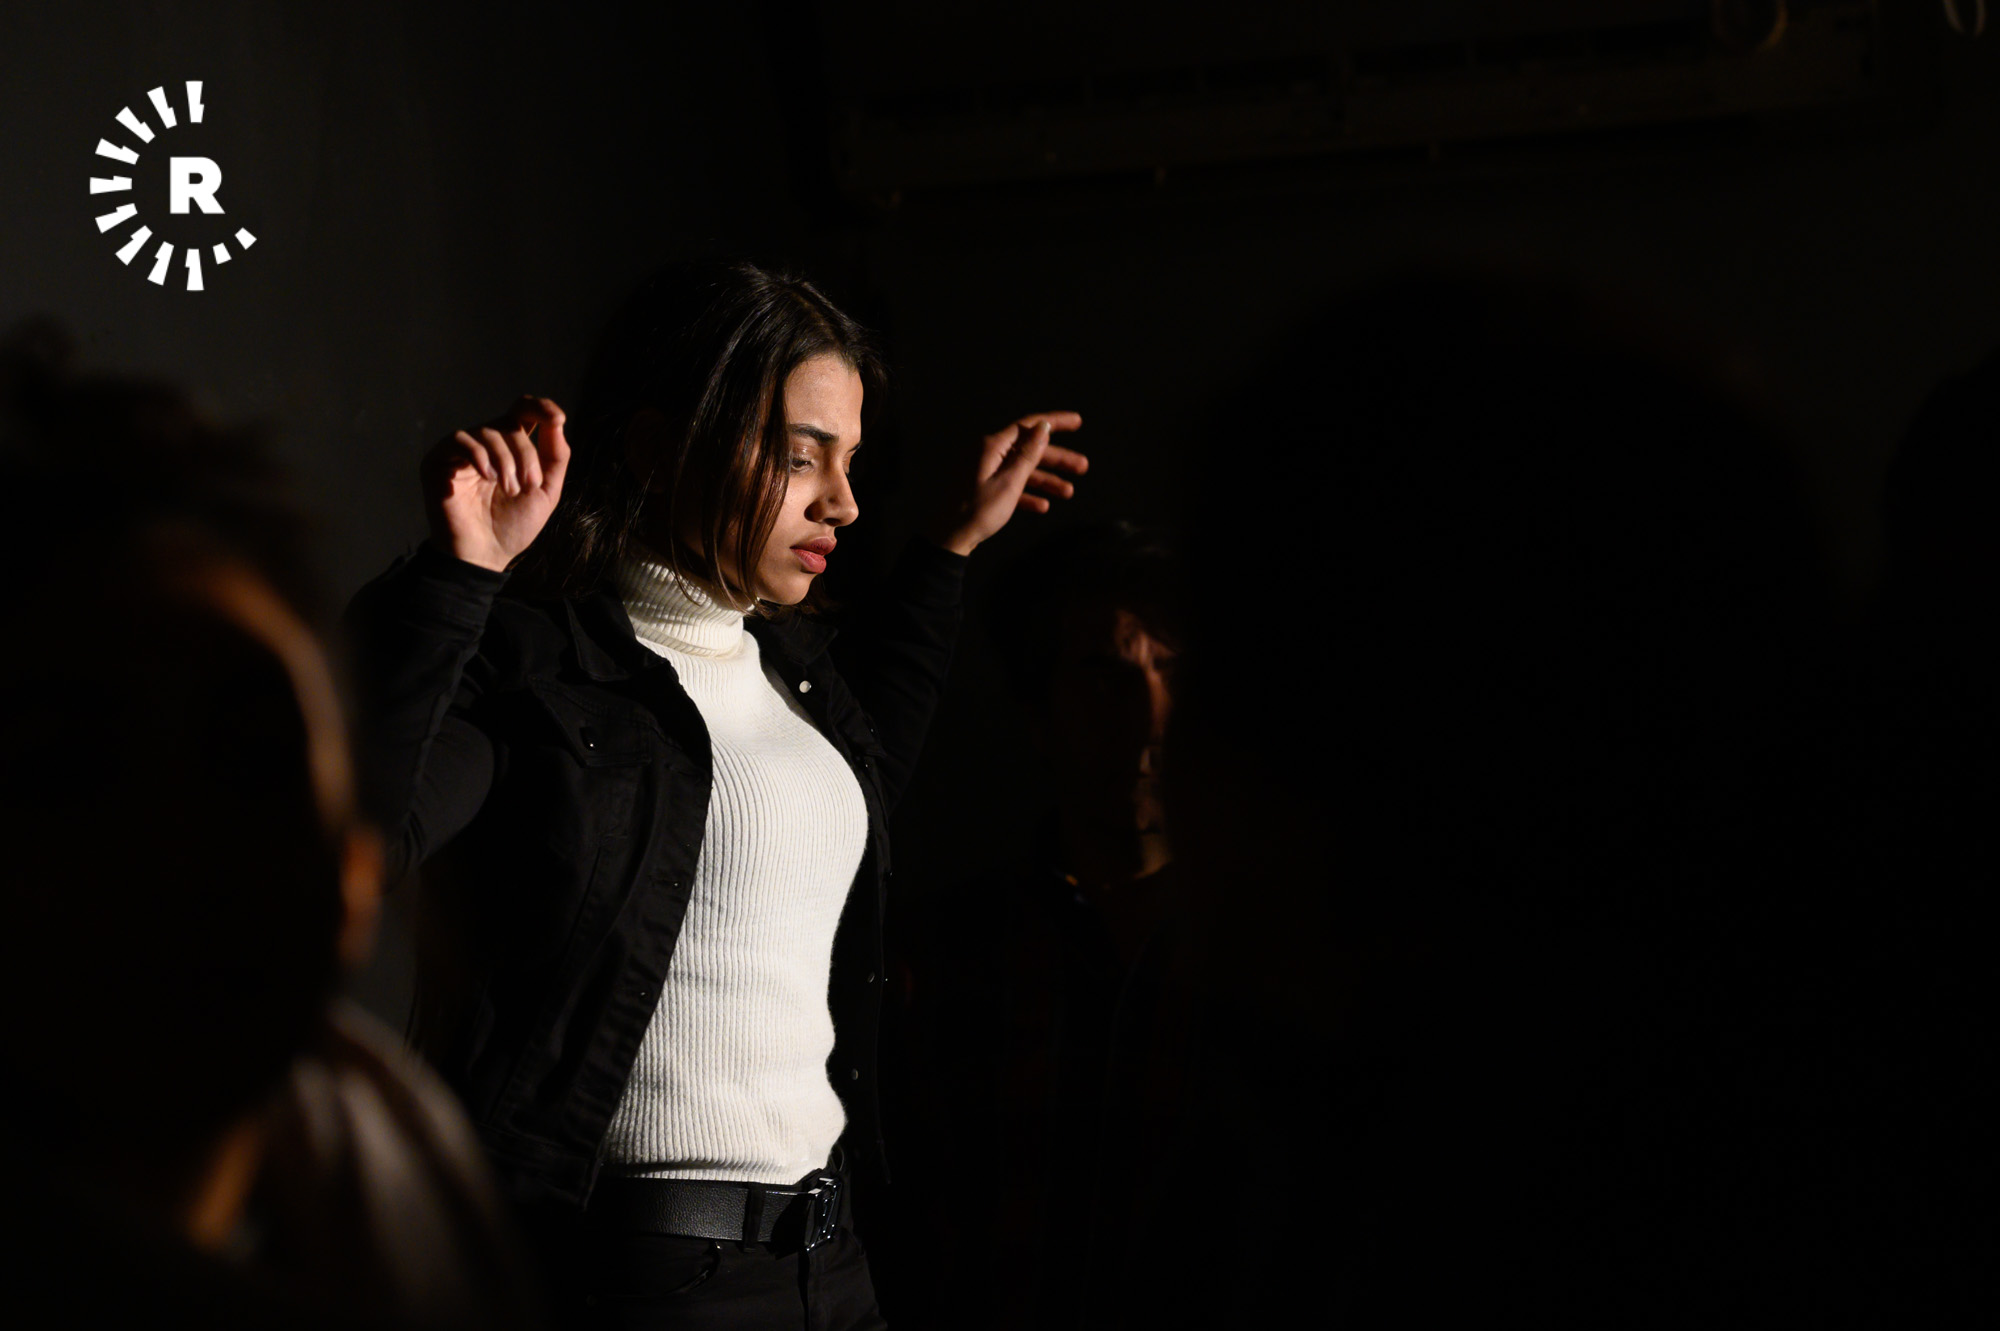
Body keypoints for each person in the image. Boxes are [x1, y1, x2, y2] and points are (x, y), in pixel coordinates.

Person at [344, 259, 1088, 1328]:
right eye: (800, 456)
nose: (842, 501)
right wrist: (459, 577)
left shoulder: (796, 676)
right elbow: (358, 841)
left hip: (832, 1267)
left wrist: (950, 544)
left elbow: (863, 776)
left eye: (849, 460)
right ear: (658, 448)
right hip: (647, 1279)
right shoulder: (540, 667)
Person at [0, 324, 536, 1330]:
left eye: (246, 763)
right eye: (67, 765)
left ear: (351, 880)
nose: (169, 848)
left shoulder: (417, 1222)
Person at [883, 522, 1181, 1326]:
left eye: (1174, 673)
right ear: (1037, 711)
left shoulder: (1268, 963)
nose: (1150, 717)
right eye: (1106, 678)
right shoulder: (945, 958)